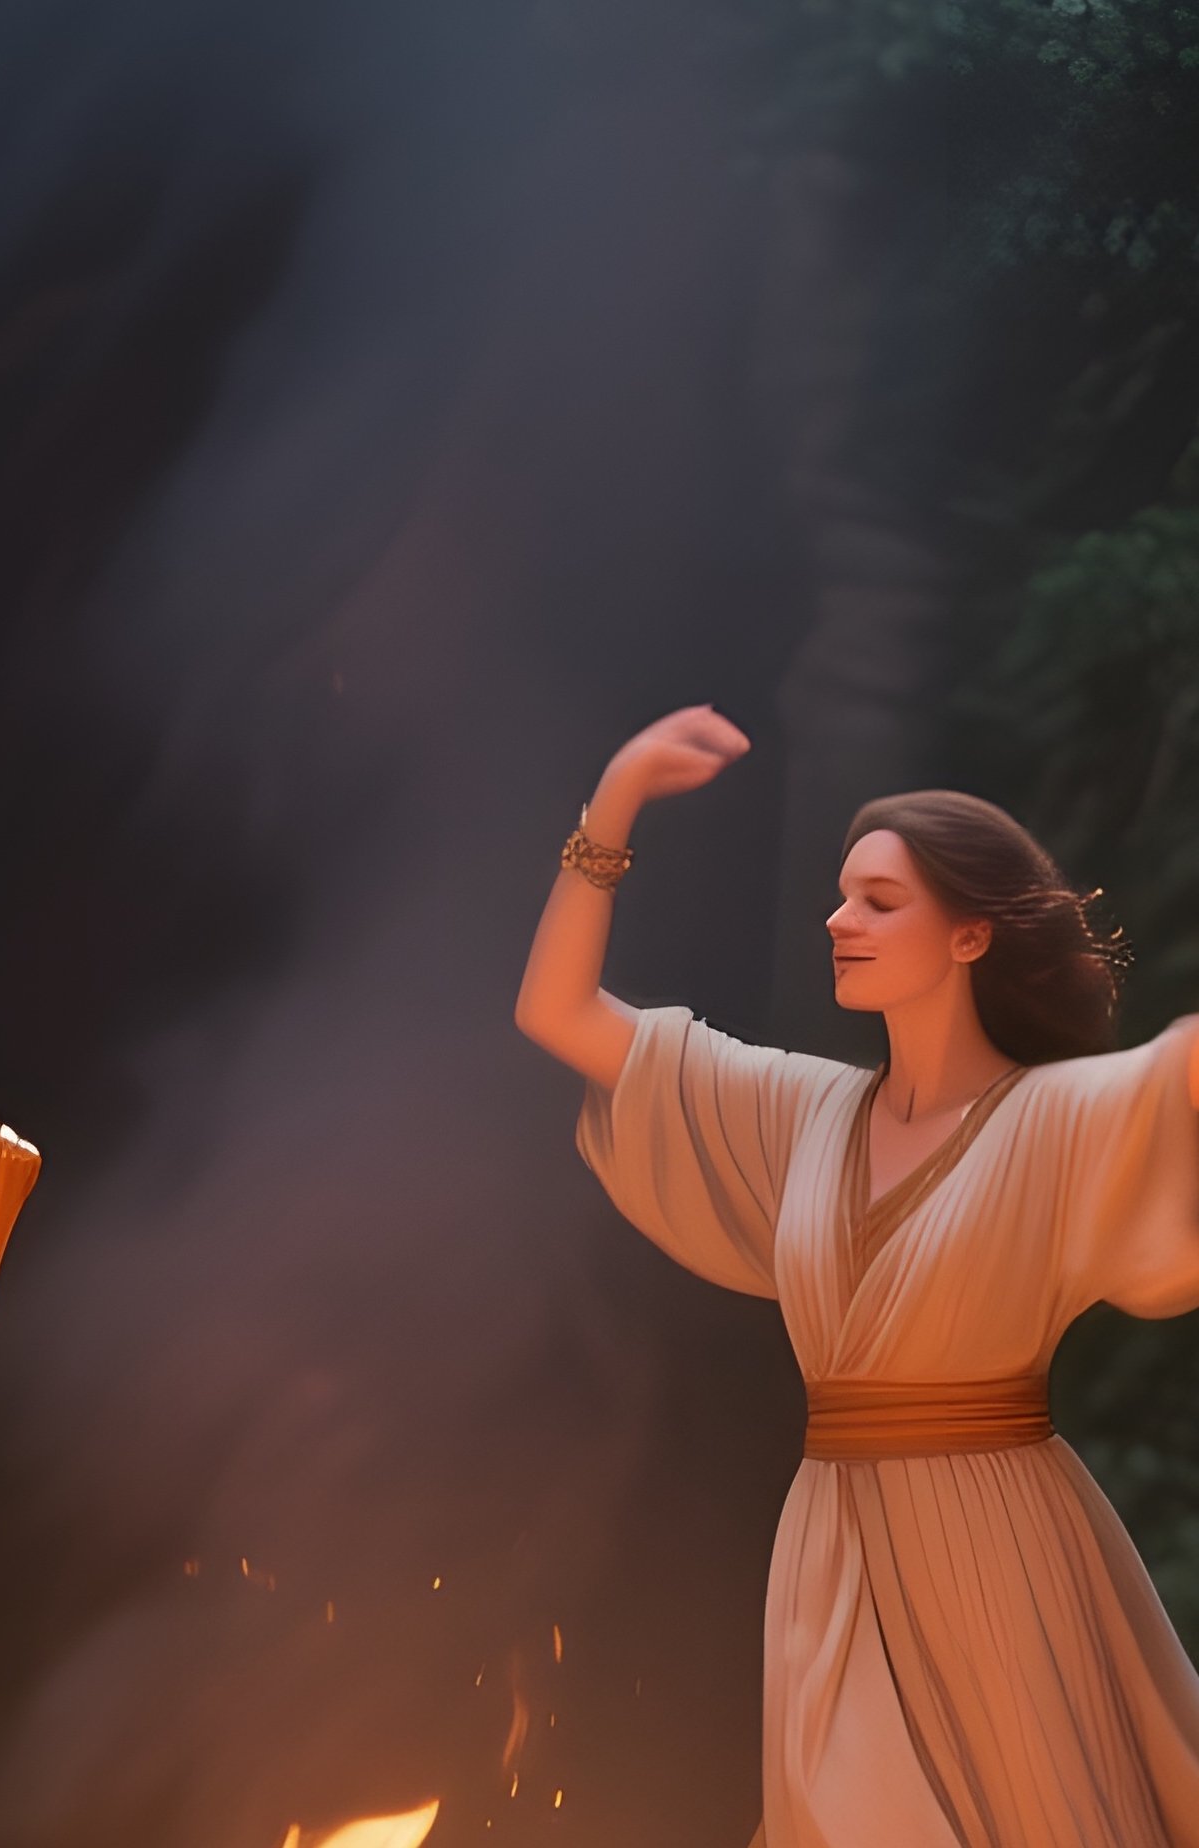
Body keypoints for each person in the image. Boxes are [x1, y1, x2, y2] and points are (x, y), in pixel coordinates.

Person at [514, 702, 1199, 1848]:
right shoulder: (802, 1114)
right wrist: (617, 799)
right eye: (842, 896)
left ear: (970, 937)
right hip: (830, 1549)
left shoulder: (1056, 1116)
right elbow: (556, 1011)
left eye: (880, 901)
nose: (839, 920)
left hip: (998, 1547)